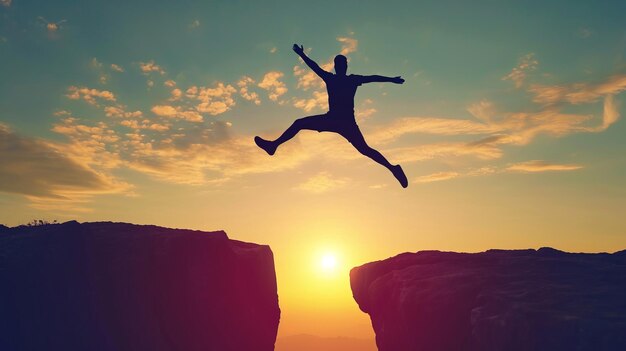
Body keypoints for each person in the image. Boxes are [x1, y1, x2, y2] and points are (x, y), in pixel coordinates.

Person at [255, 44, 408, 188]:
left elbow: (372, 77)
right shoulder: (335, 78)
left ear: (345, 66)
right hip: (333, 120)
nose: (341, 66)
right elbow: (314, 67)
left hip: (345, 123)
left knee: (365, 149)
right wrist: (302, 54)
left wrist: (391, 79)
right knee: (299, 123)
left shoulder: (349, 79)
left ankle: (393, 168)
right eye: (339, 64)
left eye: (343, 64)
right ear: (336, 66)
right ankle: (273, 145)